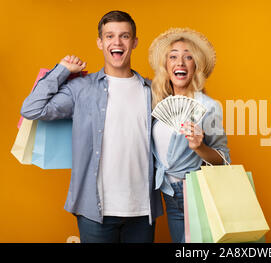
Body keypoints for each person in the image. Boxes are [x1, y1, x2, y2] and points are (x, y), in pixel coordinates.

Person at [20, 10, 163, 243]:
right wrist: (62, 70)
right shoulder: (82, 89)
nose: (117, 42)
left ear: (135, 42)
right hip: (94, 213)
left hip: (142, 211)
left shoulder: (154, 91)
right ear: (100, 42)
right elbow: (32, 108)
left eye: (124, 36)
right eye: (109, 36)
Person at [148, 28, 231, 243]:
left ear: (196, 66)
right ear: (166, 66)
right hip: (166, 193)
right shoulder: (156, 104)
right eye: (173, 56)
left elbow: (224, 159)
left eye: (188, 56)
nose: (180, 62)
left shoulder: (208, 107)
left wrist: (199, 147)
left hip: (194, 192)